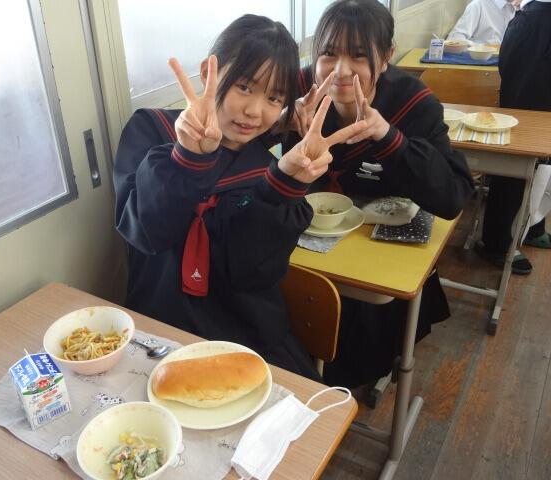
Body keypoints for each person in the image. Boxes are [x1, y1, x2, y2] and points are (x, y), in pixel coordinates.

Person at [113, 14, 367, 381]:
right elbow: (145, 232)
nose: (254, 111)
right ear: (209, 72)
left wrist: (282, 187)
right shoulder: (151, 131)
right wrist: (188, 159)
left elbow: (252, 271)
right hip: (157, 331)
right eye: (244, 87)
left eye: (274, 97)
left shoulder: (266, 169)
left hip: (245, 341)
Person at [283, 0, 474, 387]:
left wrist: (389, 138)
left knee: (355, 351)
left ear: (386, 57)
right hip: (308, 240)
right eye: (328, 53)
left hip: (377, 252)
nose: (340, 70)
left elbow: (453, 196)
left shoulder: (413, 102)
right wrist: (279, 123)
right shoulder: (299, 91)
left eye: (358, 55)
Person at [477, 0, 551, 273]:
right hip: (537, 26)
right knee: (517, 157)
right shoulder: (530, 21)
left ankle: (533, 226)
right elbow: (510, 71)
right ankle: (497, 241)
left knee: (546, 161)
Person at [447, 0, 520, 45]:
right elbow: (454, 39)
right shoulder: (478, 5)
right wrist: (483, 48)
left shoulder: (517, 9)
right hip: (481, 63)